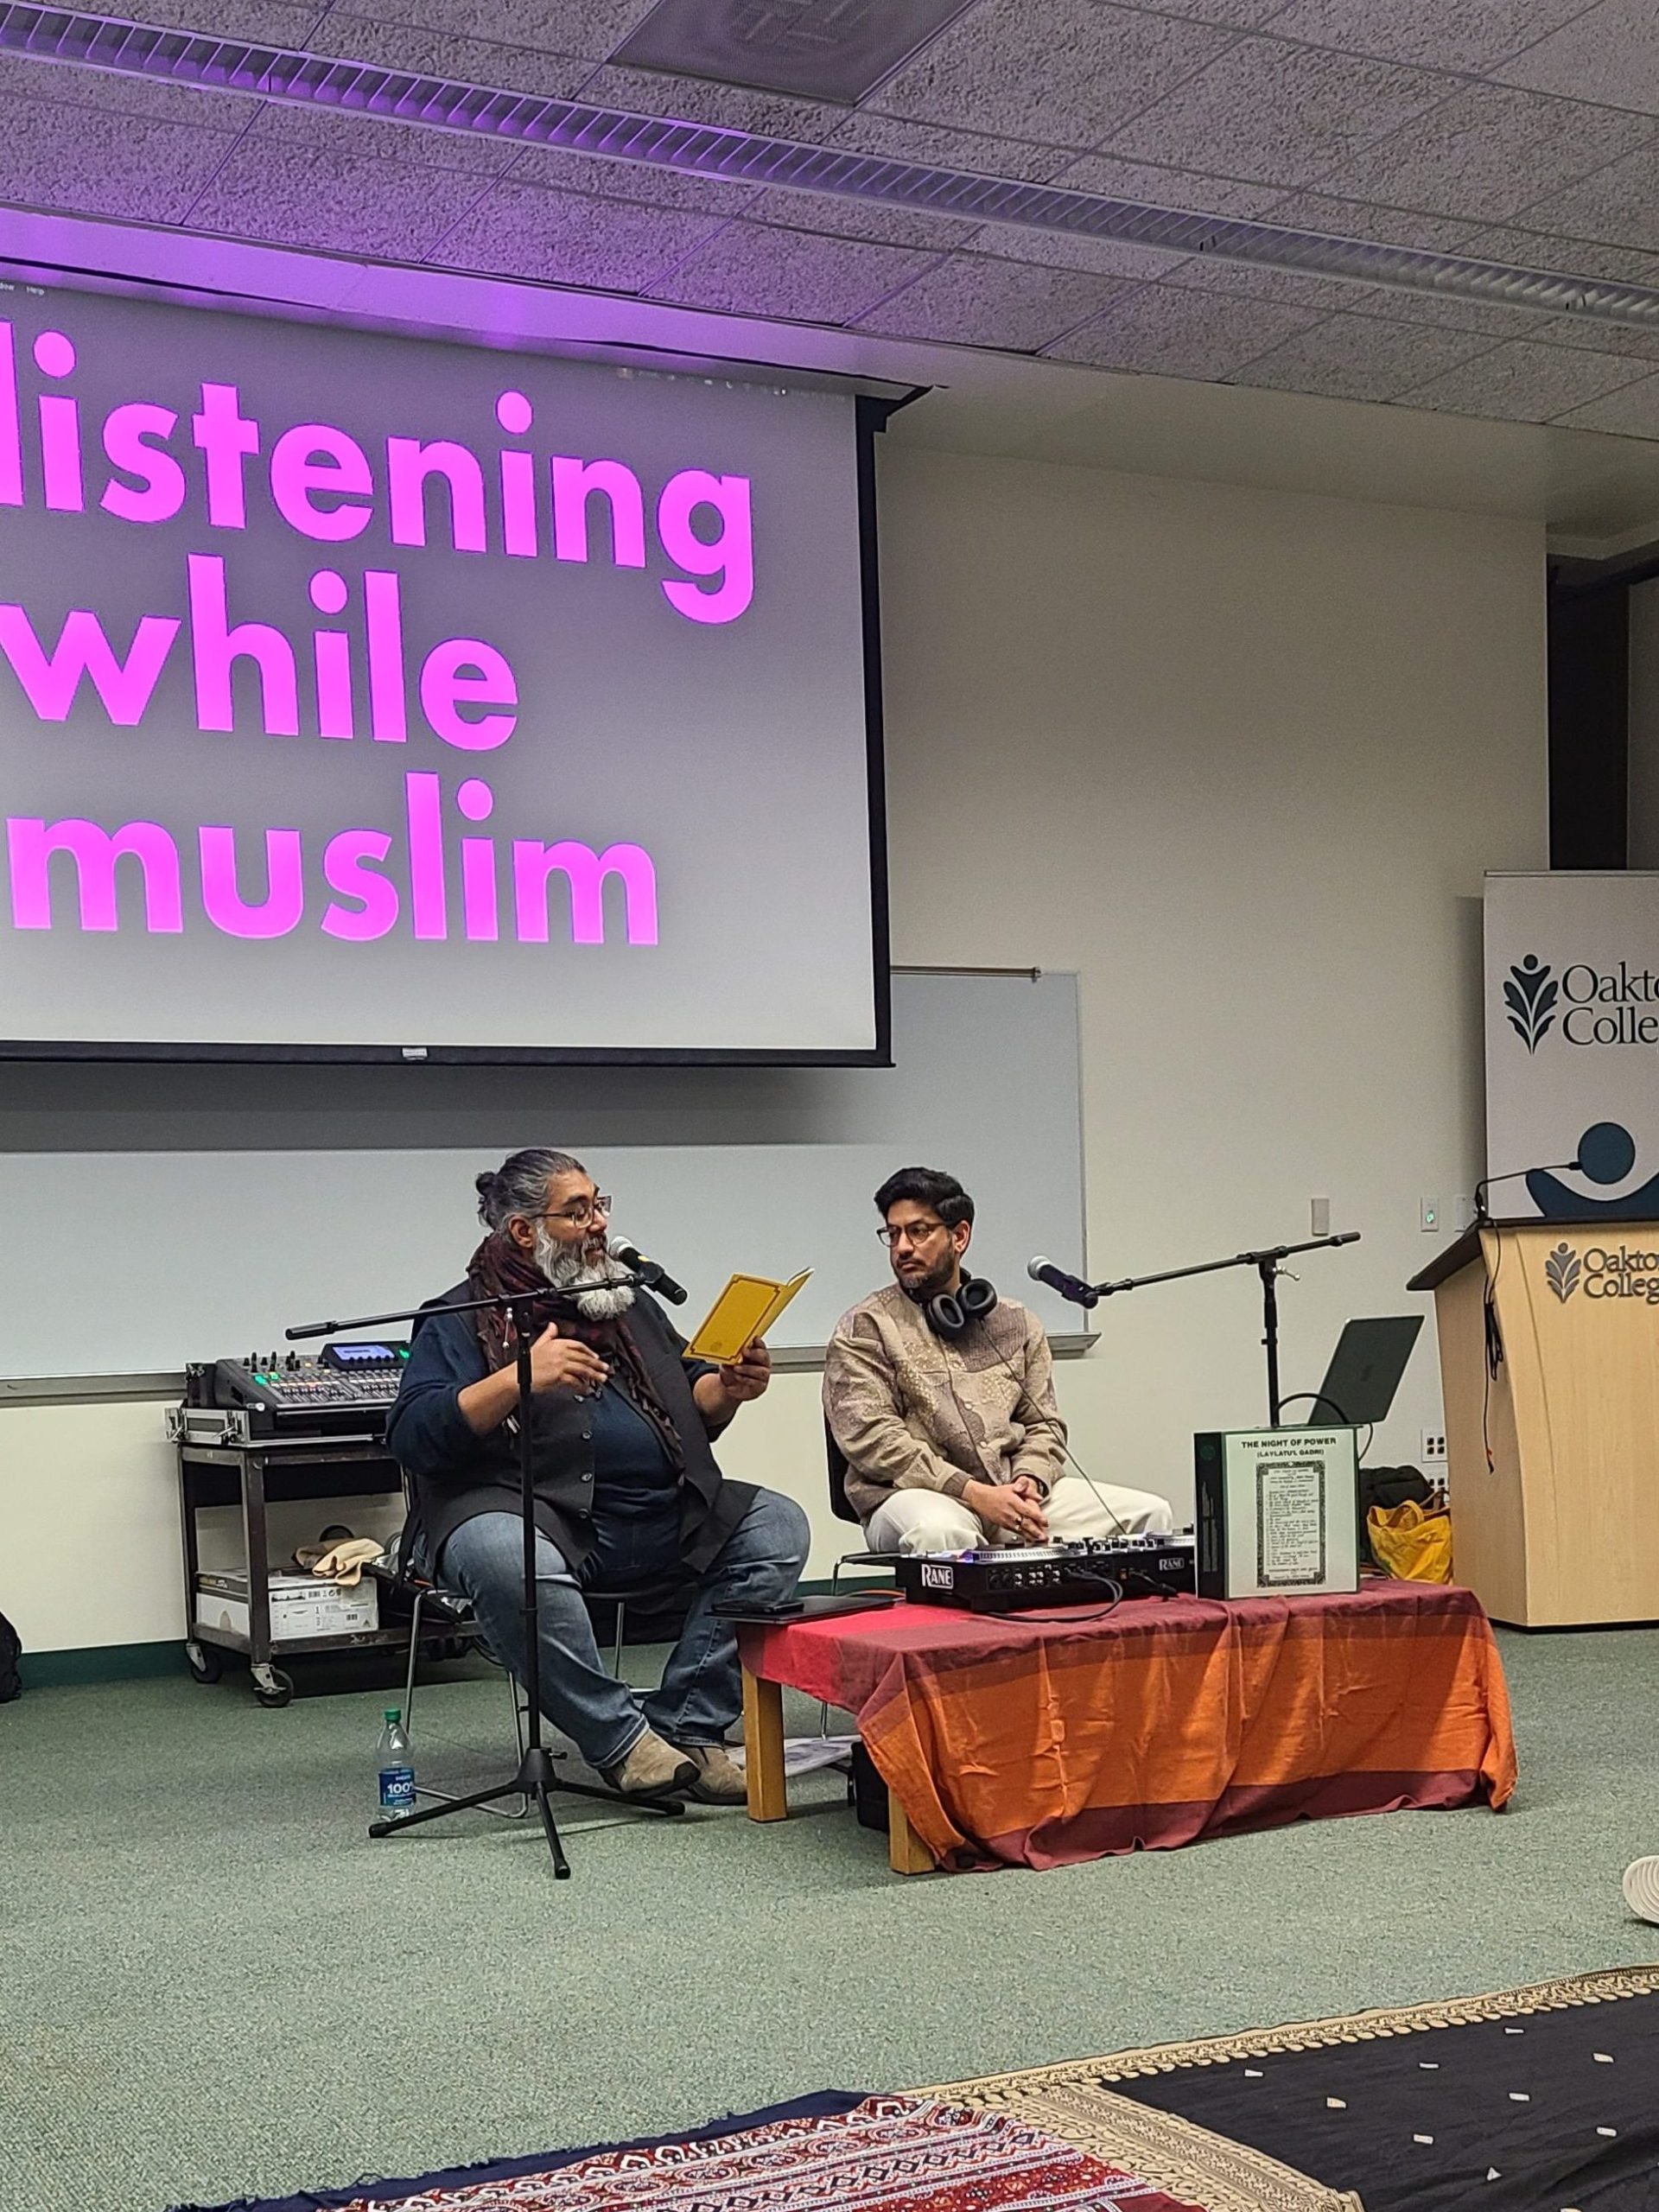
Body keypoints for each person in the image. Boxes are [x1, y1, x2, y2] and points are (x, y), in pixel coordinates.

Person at [386, 1148, 809, 1804]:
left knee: (777, 1525)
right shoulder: (461, 1314)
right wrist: (518, 1376)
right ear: (524, 1230)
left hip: (659, 1513)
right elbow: (413, 1435)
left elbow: (689, 1399)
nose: (598, 1225)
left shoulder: (628, 1305)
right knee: (503, 1553)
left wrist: (729, 1388)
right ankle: (622, 1743)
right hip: (540, 1518)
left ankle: (689, 1726)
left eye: (599, 1205)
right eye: (576, 1211)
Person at [823, 1166, 1173, 1555]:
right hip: (916, 1496)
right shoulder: (865, 1327)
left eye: (919, 1231)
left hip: (1013, 1492)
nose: (903, 1246)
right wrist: (975, 1493)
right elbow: (874, 1442)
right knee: (942, 1534)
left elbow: (1044, 1424)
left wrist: (1030, 1481)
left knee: (1149, 1517)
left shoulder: (1016, 1322)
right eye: (893, 1233)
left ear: (959, 1236)